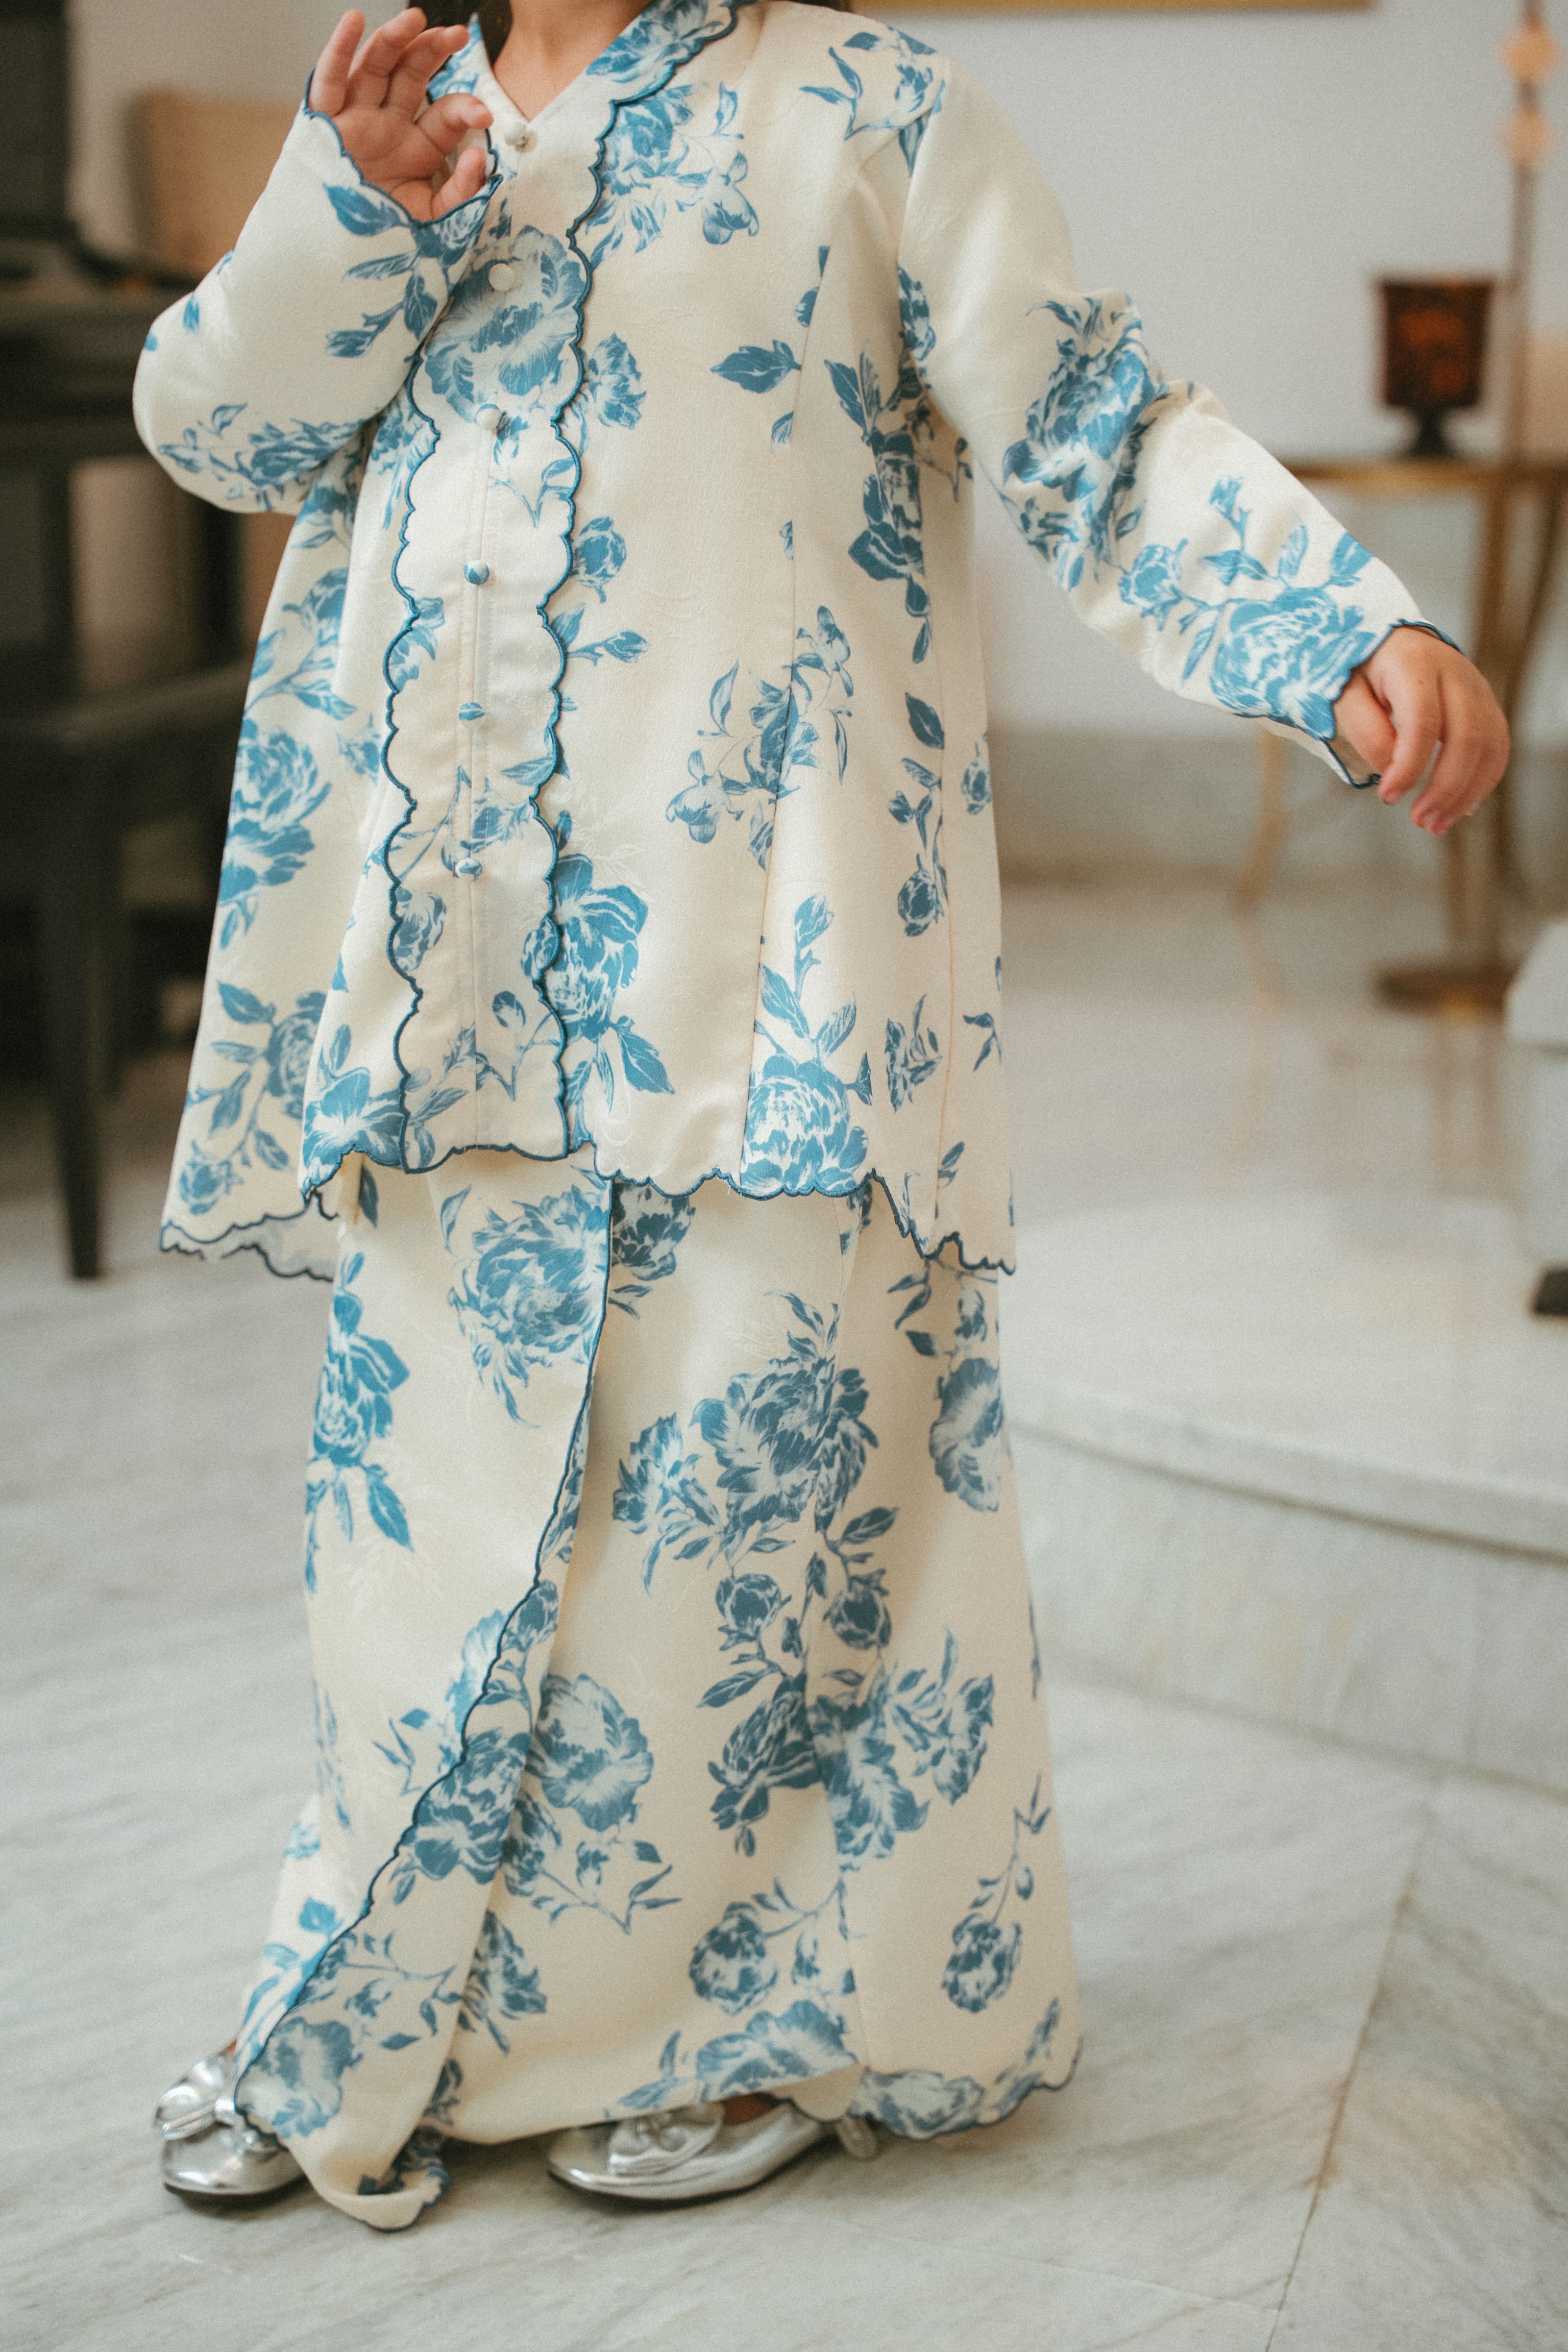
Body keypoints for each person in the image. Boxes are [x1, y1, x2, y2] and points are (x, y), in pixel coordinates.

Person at [136, 0, 1509, 2231]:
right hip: (456, 973)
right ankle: (370, 2004)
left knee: (741, 1525)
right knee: (420, 1538)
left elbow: (1093, 429)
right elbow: (215, 426)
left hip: (770, 971)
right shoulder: (405, 113)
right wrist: (342, 208)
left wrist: (1328, 632)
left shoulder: (872, 115)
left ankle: (747, 2021)